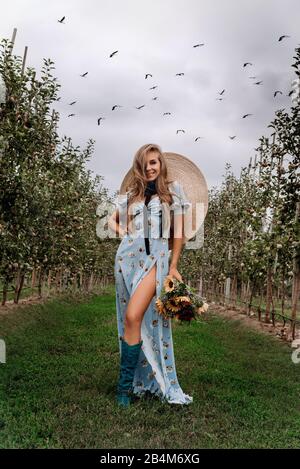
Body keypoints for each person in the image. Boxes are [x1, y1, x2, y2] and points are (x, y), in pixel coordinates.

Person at [108, 143, 193, 407]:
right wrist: (122, 232)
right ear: (139, 167)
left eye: (154, 162)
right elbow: (111, 220)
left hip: (155, 258)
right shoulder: (131, 195)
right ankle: (128, 386)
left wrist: (174, 264)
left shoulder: (173, 193)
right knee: (129, 320)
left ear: (161, 164)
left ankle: (125, 387)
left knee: (134, 315)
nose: (150, 168)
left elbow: (178, 233)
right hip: (126, 259)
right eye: (145, 164)